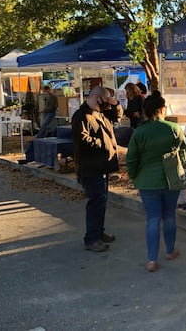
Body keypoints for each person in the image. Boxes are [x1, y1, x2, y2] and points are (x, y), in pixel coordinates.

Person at [126, 90, 184, 272]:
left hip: (147, 182)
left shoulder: (139, 132)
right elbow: (185, 152)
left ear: (145, 110)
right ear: (162, 109)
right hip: (170, 180)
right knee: (169, 216)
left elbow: (131, 159)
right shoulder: (173, 129)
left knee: (153, 219)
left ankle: (151, 259)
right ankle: (170, 250)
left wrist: (135, 176)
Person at [71, 85, 123, 252]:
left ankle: (99, 232)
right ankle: (91, 239)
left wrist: (114, 103)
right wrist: (104, 144)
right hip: (91, 168)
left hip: (102, 167)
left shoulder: (100, 113)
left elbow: (118, 116)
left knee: (102, 201)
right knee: (95, 202)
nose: (107, 104)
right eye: (105, 100)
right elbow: (82, 141)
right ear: (96, 98)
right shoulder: (82, 116)